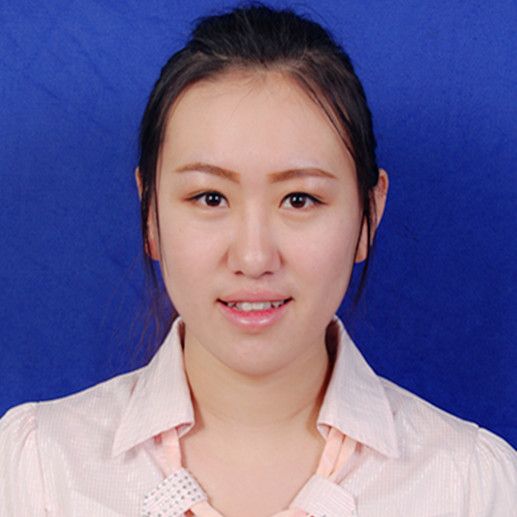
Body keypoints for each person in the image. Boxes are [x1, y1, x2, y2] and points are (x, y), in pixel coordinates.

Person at [0, 4, 515, 516]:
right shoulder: (36, 471)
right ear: (150, 213)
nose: (253, 258)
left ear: (368, 215)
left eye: (299, 199)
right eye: (210, 198)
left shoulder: (472, 487)